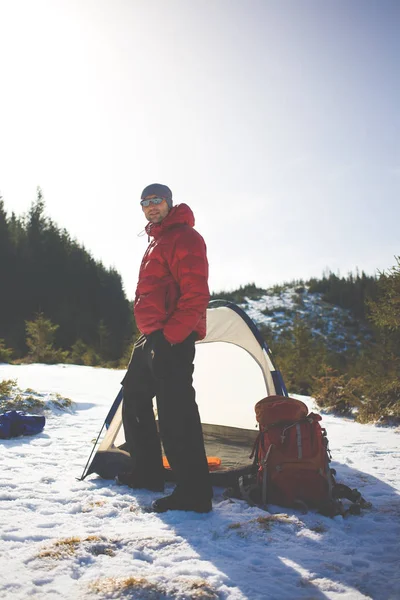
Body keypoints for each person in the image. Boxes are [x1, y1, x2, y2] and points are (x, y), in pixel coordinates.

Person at [117, 183, 213, 513]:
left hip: (173, 337)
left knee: (176, 412)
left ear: (169, 203)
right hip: (153, 337)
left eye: (156, 200)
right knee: (133, 396)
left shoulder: (184, 237)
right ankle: (147, 473)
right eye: (145, 202)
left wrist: (172, 337)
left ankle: (195, 493)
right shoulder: (157, 241)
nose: (150, 206)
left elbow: (196, 294)